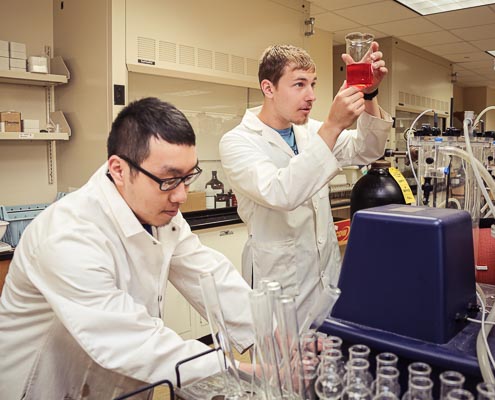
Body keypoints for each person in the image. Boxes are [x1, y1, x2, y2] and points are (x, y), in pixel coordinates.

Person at [0, 97, 254, 399]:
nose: (182, 196)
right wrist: (233, 370)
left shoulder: (161, 216)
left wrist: (275, 334)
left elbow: (211, 277)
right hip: (45, 389)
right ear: (119, 170)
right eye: (170, 180)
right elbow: (129, 339)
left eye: (188, 177)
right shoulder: (67, 234)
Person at [219, 43, 393, 323]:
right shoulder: (238, 141)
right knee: (283, 364)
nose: (311, 96)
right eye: (299, 84)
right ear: (269, 88)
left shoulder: (311, 131)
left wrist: (368, 93)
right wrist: (333, 126)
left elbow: (367, 149)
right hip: (278, 289)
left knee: (327, 360)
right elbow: (281, 192)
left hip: (325, 282)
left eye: (312, 84)